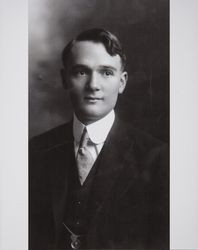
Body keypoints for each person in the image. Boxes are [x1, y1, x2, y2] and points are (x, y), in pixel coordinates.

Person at [29, 28, 169, 250]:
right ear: (64, 79)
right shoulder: (34, 151)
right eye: (81, 72)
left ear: (122, 82)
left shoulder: (157, 157)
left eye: (106, 72)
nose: (93, 85)